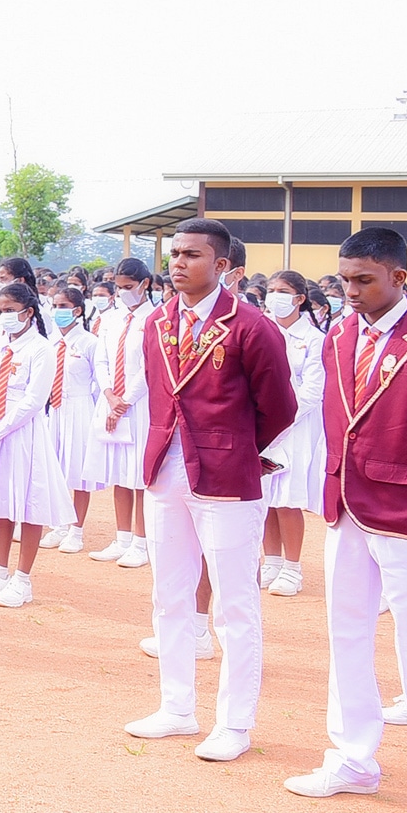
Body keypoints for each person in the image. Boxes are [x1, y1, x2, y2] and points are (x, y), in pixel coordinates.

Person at [126, 218, 297, 763]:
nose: (178, 263)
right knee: (169, 594)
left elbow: (280, 407)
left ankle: (234, 723)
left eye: (192, 255)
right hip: (166, 467)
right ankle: (177, 707)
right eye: (174, 253)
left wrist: (239, 449)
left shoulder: (251, 326)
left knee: (234, 603)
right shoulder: (157, 322)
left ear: (222, 265)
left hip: (226, 475)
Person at [283, 227, 407, 813]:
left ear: (398, 277)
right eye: (344, 279)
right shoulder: (340, 335)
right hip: (345, 503)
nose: (349, 291)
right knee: (346, 635)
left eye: (363, 280)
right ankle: (353, 759)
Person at [0, 282, 69, 608]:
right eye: (0, 311)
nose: (4, 316)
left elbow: (34, 399)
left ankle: (22, 578)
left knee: (29, 502)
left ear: (28, 312)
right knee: (0, 501)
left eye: (10, 310)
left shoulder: (41, 348)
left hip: (22, 435)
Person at [84, 259, 159, 568]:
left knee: (138, 473)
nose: (123, 292)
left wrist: (125, 401)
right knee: (119, 472)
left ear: (145, 284)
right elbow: (101, 360)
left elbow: (149, 365)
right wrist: (109, 395)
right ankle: (122, 537)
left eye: (129, 286)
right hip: (111, 400)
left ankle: (141, 542)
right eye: (119, 287)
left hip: (140, 404)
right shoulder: (110, 319)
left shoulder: (155, 318)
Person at [260, 269, 326, 597]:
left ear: (300, 298)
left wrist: (283, 416)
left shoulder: (313, 339)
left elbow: (314, 390)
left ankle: (292, 568)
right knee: (264, 498)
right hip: (263, 426)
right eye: (271, 290)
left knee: (287, 499)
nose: (275, 297)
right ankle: (271, 561)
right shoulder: (262, 330)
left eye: (283, 291)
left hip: (295, 427)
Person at [44, 285, 102, 554]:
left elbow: (100, 381)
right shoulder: (50, 341)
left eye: (64, 307)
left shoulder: (89, 342)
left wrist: (95, 409)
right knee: (54, 468)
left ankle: (76, 531)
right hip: (53, 410)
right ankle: (57, 525)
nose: (58, 311)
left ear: (77, 311)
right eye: (55, 306)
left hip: (80, 408)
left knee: (78, 470)